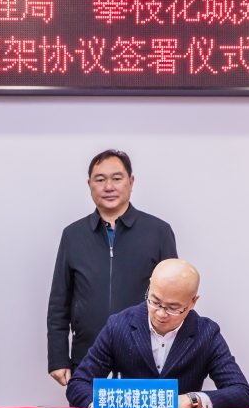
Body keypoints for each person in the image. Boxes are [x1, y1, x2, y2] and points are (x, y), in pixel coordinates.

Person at [47, 149, 178, 386]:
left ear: (131, 182)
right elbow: (59, 302)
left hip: (146, 358)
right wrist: (58, 359)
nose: (109, 187)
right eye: (100, 179)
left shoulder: (158, 232)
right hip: (87, 358)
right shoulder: (73, 235)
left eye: (117, 178)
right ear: (89, 184)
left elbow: (174, 299)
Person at [66, 259, 249, 408]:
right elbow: (79, 383)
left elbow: (241, 392)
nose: (161, 314)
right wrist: (100, 407)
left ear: (193, 302)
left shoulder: (206, 333)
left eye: (173, 308)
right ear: (150, 286)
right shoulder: (118, 325)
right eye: (155, 302)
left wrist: (191, 400)